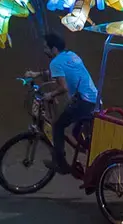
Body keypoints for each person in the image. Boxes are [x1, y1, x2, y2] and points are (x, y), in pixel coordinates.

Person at [28, 32, 100, 174]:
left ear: (54, 49)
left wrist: (50, 94)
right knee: (76, 132)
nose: (44, 50)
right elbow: (60, 73)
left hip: (83, 101)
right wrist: (36, 74)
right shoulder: (71, 55)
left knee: (58, 126)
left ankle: (61, 164)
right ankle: (90, 155)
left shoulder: (55, 62)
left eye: (46, 47)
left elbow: (63, 87)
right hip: (94, 99)